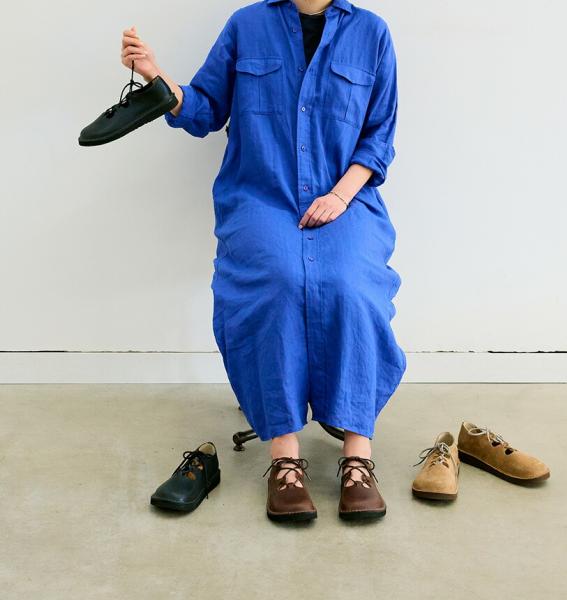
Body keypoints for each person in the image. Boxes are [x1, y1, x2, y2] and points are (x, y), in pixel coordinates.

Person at [121, 0, 406, 522]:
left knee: (352, 286)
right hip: (261, 195)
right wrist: (155, 75)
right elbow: (204, 109)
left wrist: (340, 196)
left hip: (347, 198)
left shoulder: (372, 33)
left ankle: (357, 454)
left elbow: (378, 135)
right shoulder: (246, 25)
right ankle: (284, 455)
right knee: (275, 281)